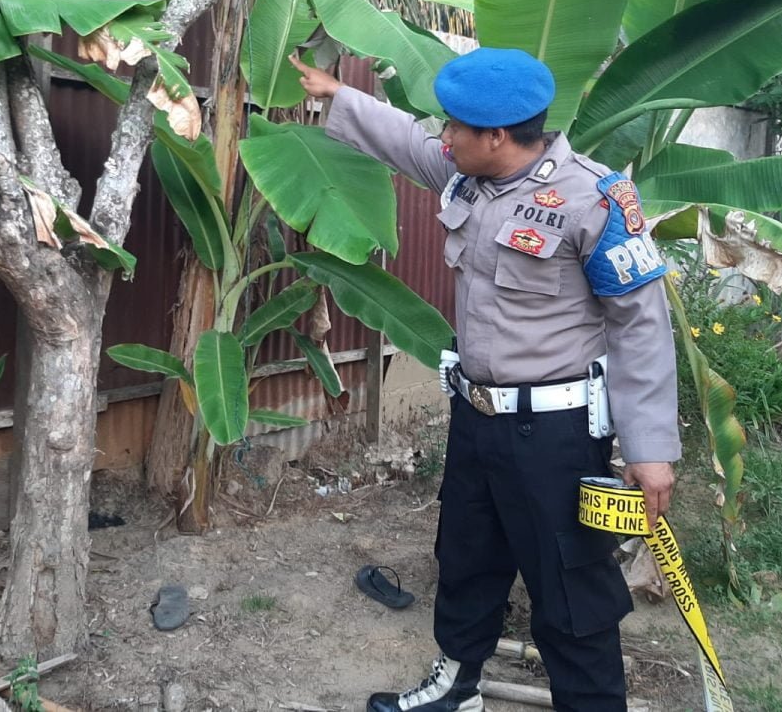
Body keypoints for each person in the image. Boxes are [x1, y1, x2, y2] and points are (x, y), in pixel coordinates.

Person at [288, 48, 679, 712]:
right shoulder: (467, 176)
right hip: (475, 418)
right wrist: (338, 95)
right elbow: (409, 142)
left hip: (553, 435)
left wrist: (651, 449)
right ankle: (457, 687)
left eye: (455, 128)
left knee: (570, 585)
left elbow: (640, 326)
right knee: (467, 557)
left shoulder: (594, 199)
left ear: (497, 135)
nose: (444, 138)